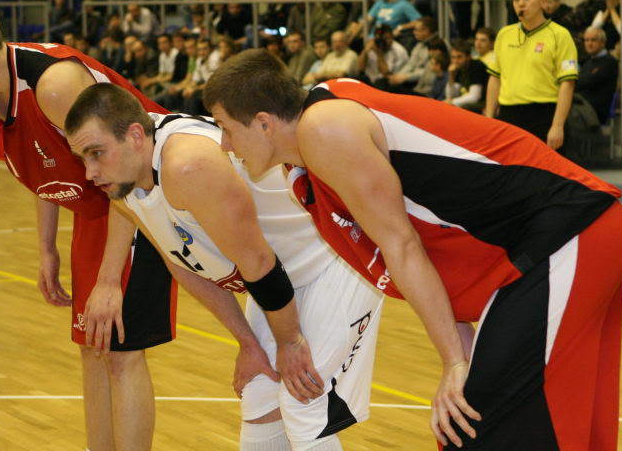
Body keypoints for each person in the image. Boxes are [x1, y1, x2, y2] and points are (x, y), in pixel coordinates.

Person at [203, 49, 622, 451]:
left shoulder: (325, 129)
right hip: (555, 244)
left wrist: (454, 363)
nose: (224, 144)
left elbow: (403, 247)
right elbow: (429, 253)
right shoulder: (303, 165)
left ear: (263, 122)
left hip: (569, 232)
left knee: (481, 424)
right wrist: (460, 353)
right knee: (485, 422)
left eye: (225, 126)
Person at [64, 84, 383, 451]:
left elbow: (259, 263)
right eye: (82, 158)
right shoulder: (127, 181)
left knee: (304, 402)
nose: (89, 172)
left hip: (335, 258)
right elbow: (180, 262)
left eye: (96, 153)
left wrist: (290, 342)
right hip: (277, 282)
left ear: (136, 135)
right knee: (260, 397)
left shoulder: (187, 165)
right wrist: (248, 343)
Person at [0, 0, 177, 451]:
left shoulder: (55, 86)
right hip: (99, 210)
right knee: (93, 347)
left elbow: (127, 175)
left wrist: (109, 281)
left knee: (121, 353)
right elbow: (43, 164)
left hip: (146, 196)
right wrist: (46, 247)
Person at [485, 0, 578, 150]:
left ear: (543, 1)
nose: (521, 3)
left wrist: (557, 125)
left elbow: (568, 83)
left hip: (544, 115)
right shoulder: (504, 34)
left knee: (546, 168)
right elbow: (495, 78)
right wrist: (489, 118)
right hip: (508, 115)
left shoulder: (560, 35)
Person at [576, 27, 618, 125]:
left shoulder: (609, 62)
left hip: (595, 111)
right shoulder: (587, 62)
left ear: (603, 42)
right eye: (586, 40)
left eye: (593, 40)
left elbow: (585, 82)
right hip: (582, 105)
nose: (589, 44)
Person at [445, 41, 488, 111]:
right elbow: (450, 96)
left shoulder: (476, 66)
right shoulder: (458, 68)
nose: (455, 61)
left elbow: (474, 97)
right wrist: (451, 77)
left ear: (468, 57)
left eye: (459, 57)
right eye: (453, 57)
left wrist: (452, 102)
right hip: (470, 104)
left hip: (484, 104)